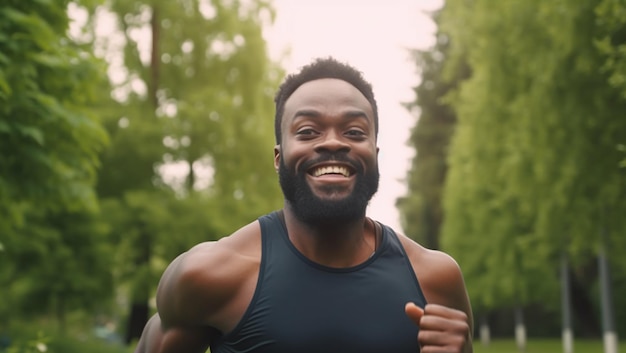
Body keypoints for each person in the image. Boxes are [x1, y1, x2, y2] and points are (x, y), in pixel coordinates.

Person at [134, 57, 474, 353]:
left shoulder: (436, 279)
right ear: (279, 158)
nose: (332, 142)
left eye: (355, 132)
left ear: (375, 155)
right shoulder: (210, 275)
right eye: (308, 131)